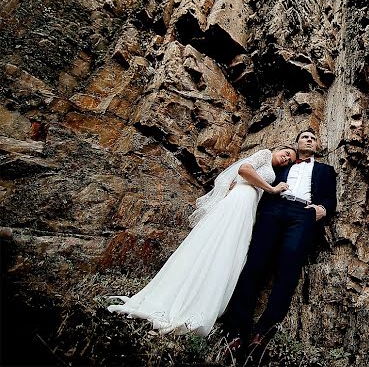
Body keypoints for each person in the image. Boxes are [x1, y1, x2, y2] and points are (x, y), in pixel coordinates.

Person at [106, 145, 296, 336]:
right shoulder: (263, 154)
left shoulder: (273, 170)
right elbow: (244, 170)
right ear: (277, 149)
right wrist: (272, 189)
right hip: (239, 199)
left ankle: (202, 299)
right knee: (218, 242)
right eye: (286, 153)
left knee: (227, 251)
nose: (286, 158)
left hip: (248, 206)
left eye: (290, 160)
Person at [219, 128, 337, 356]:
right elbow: (255, 174)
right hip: (274, 209)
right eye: (305, 137)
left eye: (313, 139)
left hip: (303, 214)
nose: (309, 140)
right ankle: (234, 333)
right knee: (254, 265)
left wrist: (321, 209)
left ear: (317, 146)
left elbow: (330, 198)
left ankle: (261, 334)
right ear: (297, 142)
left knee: (288, 271)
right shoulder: (282, 165)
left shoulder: (326, 170)